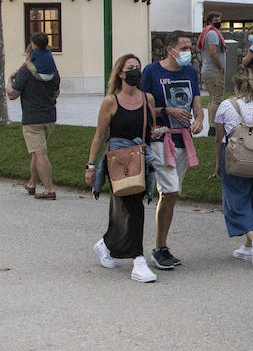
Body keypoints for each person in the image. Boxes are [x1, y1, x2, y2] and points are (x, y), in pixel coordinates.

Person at [86, 54, 159, 283]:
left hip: (138, 160)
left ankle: (107, 243)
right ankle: (138, 259)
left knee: (130, 208)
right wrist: (90, 165)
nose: (135, 71)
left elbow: (150, 130)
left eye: (138, 67)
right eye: (130, 68)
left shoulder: (147, 98)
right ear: (120, 73)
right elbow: (99, 136)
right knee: (129, 208)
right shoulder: (111, 101)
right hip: (117, 161)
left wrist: (154, 135)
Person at [141, 32, 204, 270]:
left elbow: (198, 107)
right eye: (184, 47)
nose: (189, 51)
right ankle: (160, 247)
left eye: (190, 47)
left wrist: (198, 121)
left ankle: (162, 246)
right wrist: (168, 111)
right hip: (160, 139)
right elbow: (146, 110)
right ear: (171, 50)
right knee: (170, 190)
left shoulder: (190, 73)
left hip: (182, 141)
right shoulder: (152, 72)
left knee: (171, 195)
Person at [212, 71, 253, 266]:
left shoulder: (226, 106)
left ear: (236, 87)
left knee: (235, 199)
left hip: (233, 158)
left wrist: (218, 162)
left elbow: (218, 137)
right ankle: (248, 246)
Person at [6, 32, 61, 200]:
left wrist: (9, 80)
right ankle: (31, 183)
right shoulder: (52, 70)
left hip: (32, 119)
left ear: (30, 53)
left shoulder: (25, 71)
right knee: (37, 152)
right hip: (50, 117)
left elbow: (12, 95)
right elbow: (56, 92)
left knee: (40, 154)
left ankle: (49, 190)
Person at [198, 12, 228, 137]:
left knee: (212, 99)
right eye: (216, 20)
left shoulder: (207, 32)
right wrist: (220, 67)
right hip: (214, 71)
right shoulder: (213, 34)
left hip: (209, 70)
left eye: (219, 19)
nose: (218, 22)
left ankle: (212, 125)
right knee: (217, 99)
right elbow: (213, 52)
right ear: (210, 21)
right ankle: (214, 127)